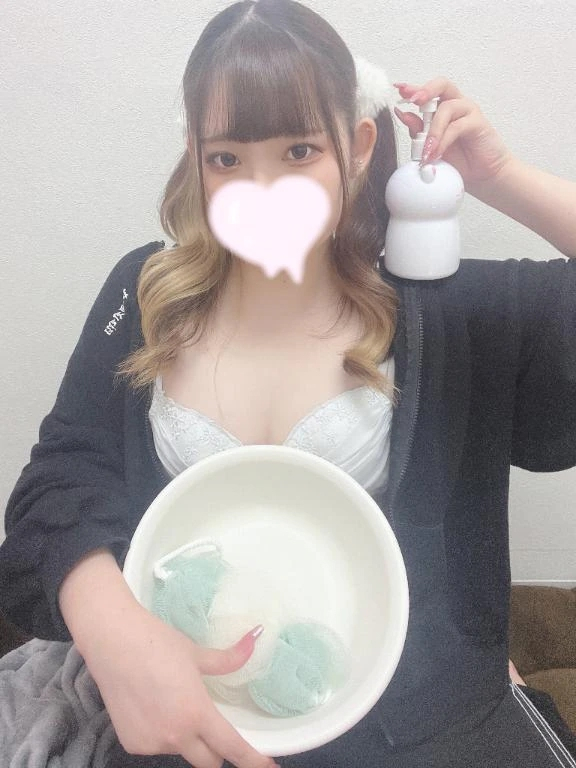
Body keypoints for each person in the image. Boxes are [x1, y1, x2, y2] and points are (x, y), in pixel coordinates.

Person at [0, 0, 575, 766]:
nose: (261, 188)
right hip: (193, 731)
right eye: (227, 160)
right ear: (196, 159)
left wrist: (503, 179)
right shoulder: (144, 296)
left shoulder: (452, 311)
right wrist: (110, 625)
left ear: (358, 147)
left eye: (299, 151)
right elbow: (55, 486)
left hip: (428, 734)